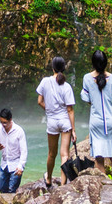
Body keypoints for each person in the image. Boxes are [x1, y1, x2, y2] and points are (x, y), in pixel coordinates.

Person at [80, 49, 112, 182]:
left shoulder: (87, 78)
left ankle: (104, 186)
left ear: (93, 63)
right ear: (106, 63)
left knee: (99, 157)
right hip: (111, 121)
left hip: (96, 122)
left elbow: (87, 99)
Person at [36, 55, 76, 187]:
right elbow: (70, 110)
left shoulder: (45, 81)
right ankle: (63, 184)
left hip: (52, 122)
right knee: (64, 155)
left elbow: (39, 101)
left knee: (51, 154)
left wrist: (49, 110)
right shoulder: (67, 86)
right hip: (65, 121)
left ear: (52, 67)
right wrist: (73, 130)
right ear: (64, 68)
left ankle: (48, 179)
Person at [0, 107, 27, 194]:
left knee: (12, 191)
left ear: (10, 120)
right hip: (4, 164)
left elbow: (24, 150)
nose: (3, 125)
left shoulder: (19, 131)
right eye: (1, 122)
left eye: (5, 123)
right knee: (2, 190)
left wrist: (21, 166)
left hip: (16, 164)